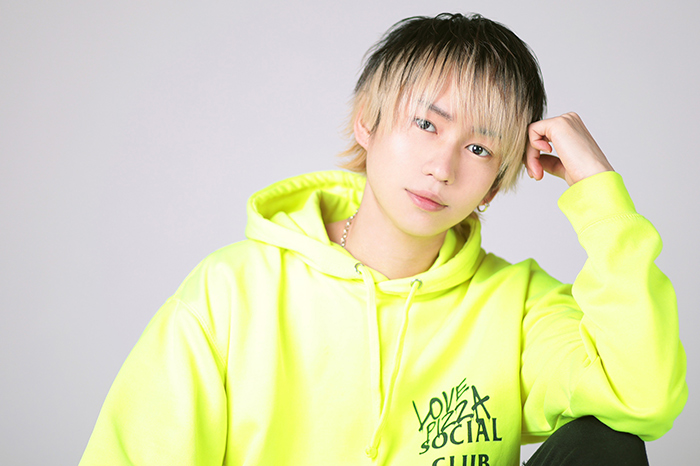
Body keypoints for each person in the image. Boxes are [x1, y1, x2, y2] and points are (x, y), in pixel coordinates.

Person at [79, 13, 687, 466]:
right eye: (426, 124)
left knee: (606, 445)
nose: (442, 166)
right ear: (365, 122)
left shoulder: (519, 306)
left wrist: (599, 193)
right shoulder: (232, 291)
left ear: (497, 180)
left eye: (479, 148)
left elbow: (643, 400)